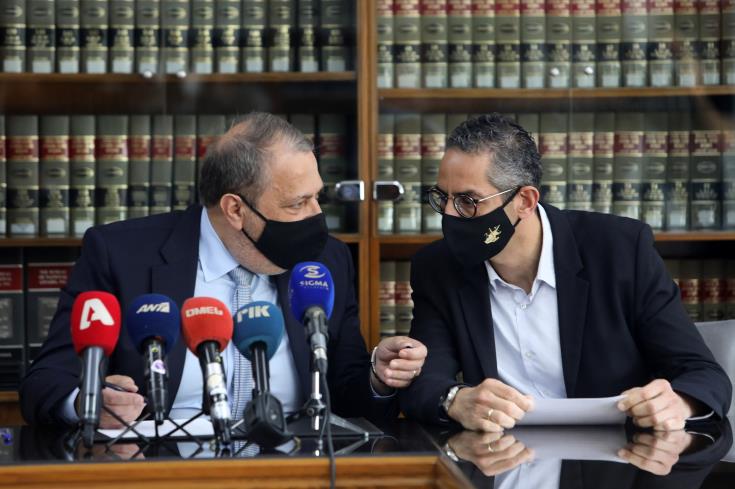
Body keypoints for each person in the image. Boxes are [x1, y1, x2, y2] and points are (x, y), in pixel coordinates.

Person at [21, 112, 427, 428]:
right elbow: (46, 383)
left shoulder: (325, 262)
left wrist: (378, 376)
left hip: (292, 468)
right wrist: (89, 402)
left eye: (316, 197)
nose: (316, 216)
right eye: (296, 204)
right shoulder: (121, 255)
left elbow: (346, 393)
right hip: (163, 470)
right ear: (235, 209)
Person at [400, 113, 731, 432]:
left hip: (616, 453)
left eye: (468, 201)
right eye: (442, 197)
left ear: (525, 201)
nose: (448, 214)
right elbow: (425, 382)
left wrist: (679, 403)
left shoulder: (621, 251)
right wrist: (454, 400)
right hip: (497, 452)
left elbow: (703, 374)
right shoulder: (438, 267)